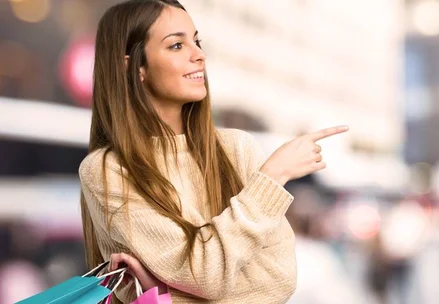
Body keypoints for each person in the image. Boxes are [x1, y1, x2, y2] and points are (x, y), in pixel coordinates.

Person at [78, 0, 349, 303]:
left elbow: (278, 280)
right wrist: (271, 177)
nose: (199, 55)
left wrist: (171, 295)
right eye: (176, 46)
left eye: (196, 41)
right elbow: (206, 278)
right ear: (134, 66)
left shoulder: (236, 149)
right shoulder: (108, 170)